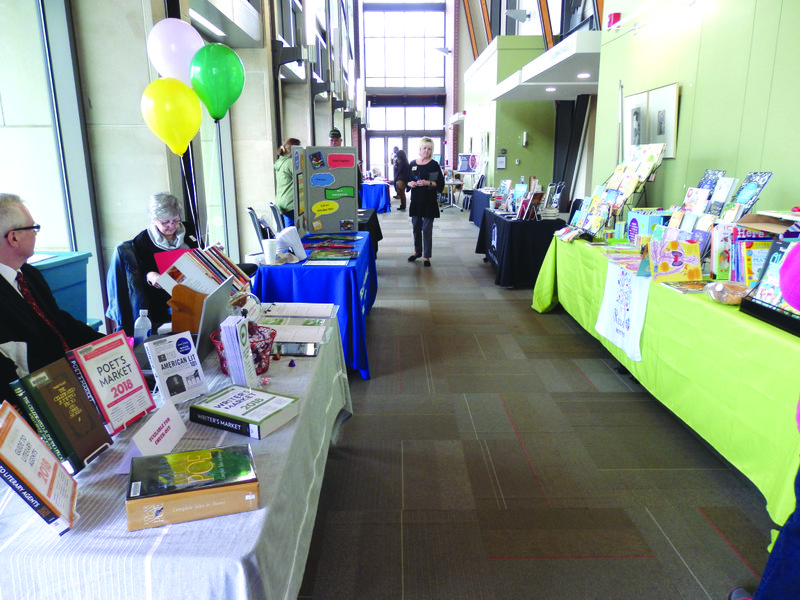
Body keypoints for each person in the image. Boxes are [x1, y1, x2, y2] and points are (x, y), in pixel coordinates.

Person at [0, 193, 103, 410]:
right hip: (39, 404)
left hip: (69, 389)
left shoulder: (28, 274)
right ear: (14, 238)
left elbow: (58, 322)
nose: (36, 234)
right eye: (33, 228)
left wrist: (112, 345)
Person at [132, 192, 198, 328]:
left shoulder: (189, 229)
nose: (172, 226)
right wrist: (151, 275)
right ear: (154, 220)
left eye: (175, 220)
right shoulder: (142, 240)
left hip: (194, 287)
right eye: (165, 222)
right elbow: (142, 272)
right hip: (164, 296)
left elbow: (198, 254)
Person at [407, 137, 444, 267]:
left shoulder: (434, 164)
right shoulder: (412, 163)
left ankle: (426, 256)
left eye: (429, 149)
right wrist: (410, 183)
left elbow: (439, 183)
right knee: (416, 227)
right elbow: (408, 178)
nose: (426, 151)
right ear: (420, 149)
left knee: (426, 229)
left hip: (429, 200)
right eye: (424, 148)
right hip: (416, 200)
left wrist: (427, 183)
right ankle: (417, 251)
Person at [273, 137, 301, 228]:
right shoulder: (290, 163)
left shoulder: (280, 161)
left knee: (288, 232)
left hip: (282, 201)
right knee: (293, 233)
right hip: (290, 203)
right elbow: (302, 177)